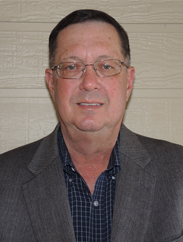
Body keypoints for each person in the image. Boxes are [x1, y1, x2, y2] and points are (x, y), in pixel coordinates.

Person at [1, 9, 183, 242]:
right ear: (52, 83)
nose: (88, 83)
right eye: (71, 67)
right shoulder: (3, 180)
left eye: (106, 66)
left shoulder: (178, 172)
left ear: (128, 81)